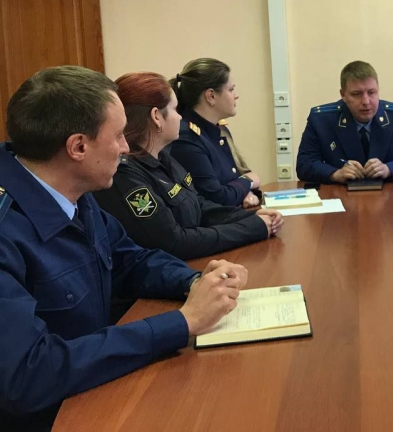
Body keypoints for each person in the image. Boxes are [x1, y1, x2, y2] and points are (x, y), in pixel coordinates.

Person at [0, 66, 247, 432]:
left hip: (92, 394)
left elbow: (130, 259)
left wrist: (195, 282)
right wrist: (181, 323)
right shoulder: (7, 229)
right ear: (78, 147)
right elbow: (28, 374)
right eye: (117, 136)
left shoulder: (74, 191)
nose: (126, 148)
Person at [93, 72, 283, 261]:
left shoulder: (163, 156)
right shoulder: (125, 174)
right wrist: (253, 228)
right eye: (175, 110)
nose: (180, 118)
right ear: (156, 117)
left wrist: (251, 217)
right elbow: (174, 242)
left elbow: (199, 206)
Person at [296, 61, 393, 184]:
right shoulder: (321, 120)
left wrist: (389, 169)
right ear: (343, 94)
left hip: (392, 196)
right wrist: (335, 174)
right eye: (357, 94)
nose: (366, 101)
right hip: (340, 197)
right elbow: (304, 164)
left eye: (371, 92)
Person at [169, 58, 262, 208]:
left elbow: (235, 177)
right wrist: (248, 182)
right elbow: (216, 197)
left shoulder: (218, 129)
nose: (236, 95)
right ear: (211, 96)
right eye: (231, 90)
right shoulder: (187, 137)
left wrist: (246, 191)